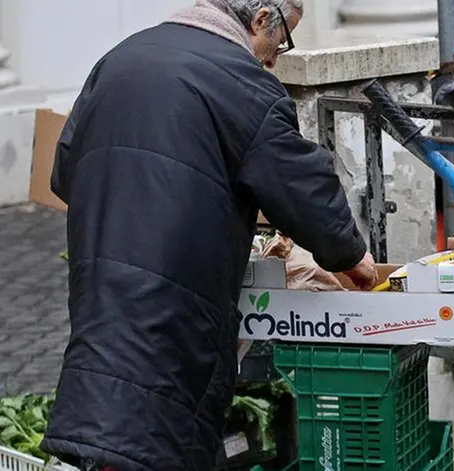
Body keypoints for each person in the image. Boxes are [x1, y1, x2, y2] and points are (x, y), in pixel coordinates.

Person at [39, 1, 378, 470]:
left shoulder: (119, 59)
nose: (275, 58)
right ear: (261, 17)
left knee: (112, 404)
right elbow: (299, 181)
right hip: (178, 292)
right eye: (281, 40)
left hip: (100, 276)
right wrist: (351, 255)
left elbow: (64, 174)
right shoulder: (243, 83)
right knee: (161, 427)